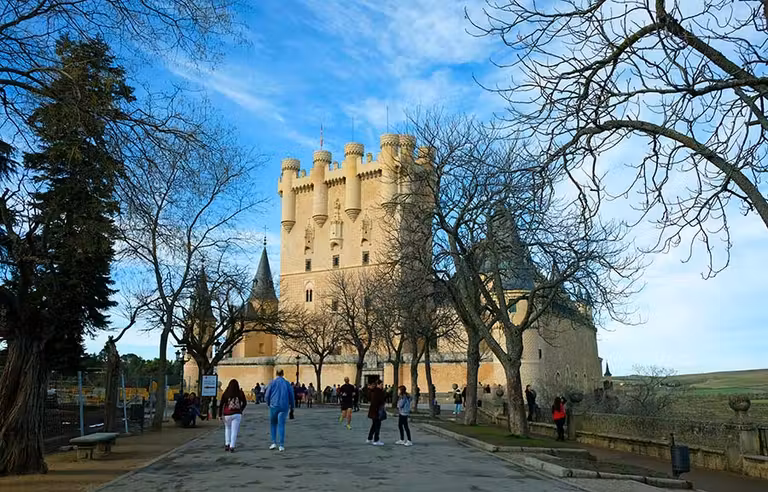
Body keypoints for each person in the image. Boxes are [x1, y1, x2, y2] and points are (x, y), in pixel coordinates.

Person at [265, 369, 295, 452]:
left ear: (276, 374)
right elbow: (291, 395)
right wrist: (292, 406)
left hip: (274, 405)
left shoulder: (272, 382)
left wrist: (268, 403)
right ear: (283, 374)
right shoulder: (287, 383)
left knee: (273, 424)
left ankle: (273, 442)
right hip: (284, 406)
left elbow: (267, 395)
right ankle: (281, 445)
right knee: (281, 425)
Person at [219, 379, 247, 452]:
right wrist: (241, 410)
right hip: (237, 414)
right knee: (234, 430)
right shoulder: (240, 392)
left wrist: (219, 415)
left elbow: (221, 404)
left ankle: (227, 444)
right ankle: (232, 446)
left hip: (227, 414)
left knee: (227, 428)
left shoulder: (226, 393)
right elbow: (245, 403)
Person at [366, 380, 386, 446]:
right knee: (377, 426)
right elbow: (380, 401)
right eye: (381, 384)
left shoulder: (372, 391)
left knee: (374, 425)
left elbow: (369, 399)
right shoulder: (378, 392)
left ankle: (369, 438)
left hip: (373, 410)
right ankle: (376, 440)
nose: (382, 386)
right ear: (378, 384)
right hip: (377, 411)